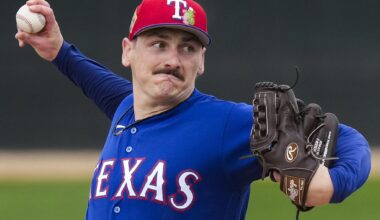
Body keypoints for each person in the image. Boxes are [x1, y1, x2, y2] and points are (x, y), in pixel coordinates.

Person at [16, 0, 371, 219]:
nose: (172, 60)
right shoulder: (128, 108)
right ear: (128, 52)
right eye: (158, 44)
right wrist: (59, 51)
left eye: (187, 48)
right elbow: (97, 83)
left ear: (201, 61)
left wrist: (333, 185)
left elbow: (351, 138)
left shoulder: (226, 125)